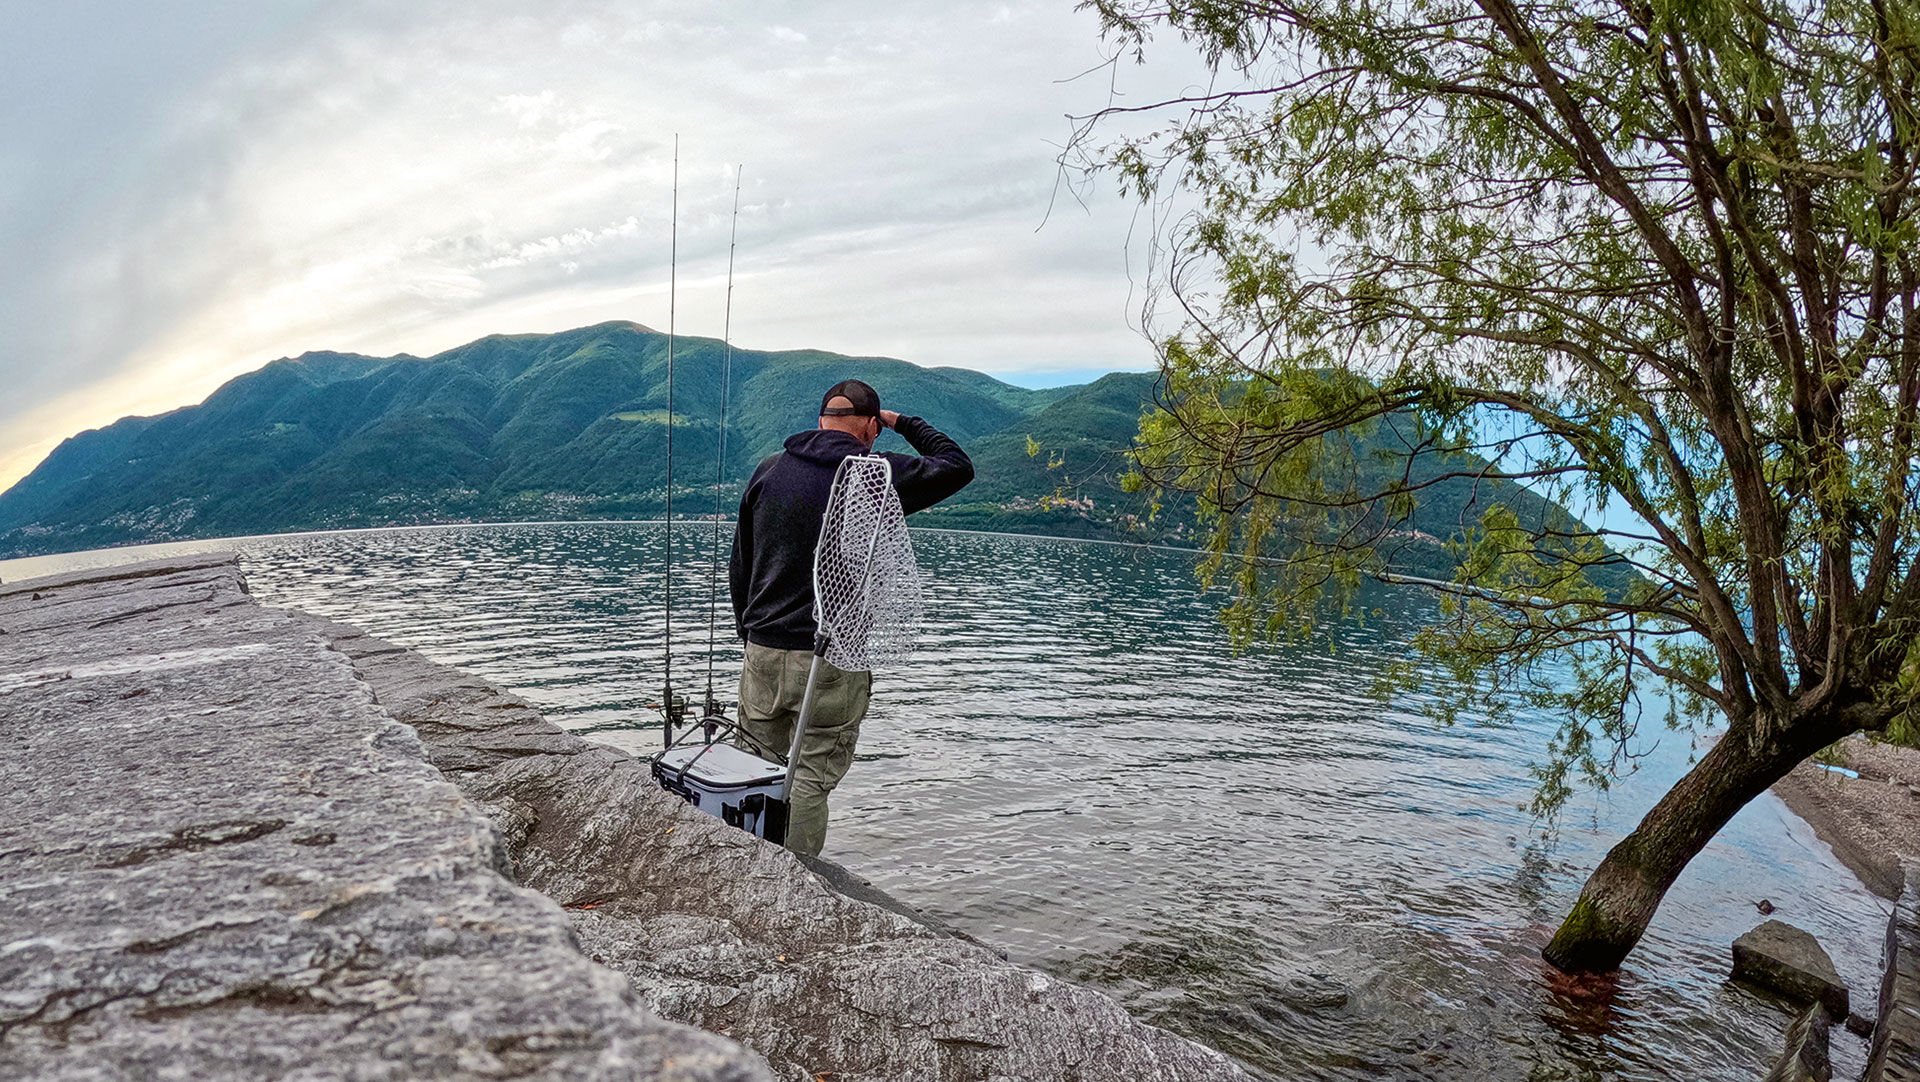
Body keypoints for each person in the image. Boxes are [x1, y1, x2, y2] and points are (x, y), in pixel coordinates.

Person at [728, 378, 973, 856]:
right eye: (875, 427)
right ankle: (792, 884)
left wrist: (751, 634)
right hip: (831, 656)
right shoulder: (874, 475)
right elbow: (957, 466)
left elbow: (742, 564)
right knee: (809, 777)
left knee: (752, 766)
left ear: (822, 419)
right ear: (868, 428)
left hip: (762, 649)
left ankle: (741, 866)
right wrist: (902, 422)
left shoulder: (769, 470)